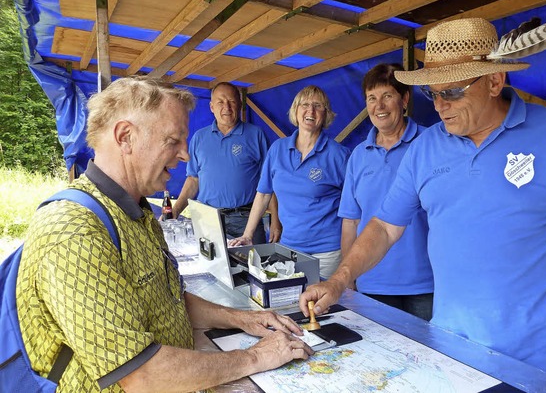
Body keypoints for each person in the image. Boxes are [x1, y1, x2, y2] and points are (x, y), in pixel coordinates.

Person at [300, 18, 546, 392]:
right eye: (432, 94)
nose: (439, 107)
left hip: (541, 356)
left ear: (495, 81)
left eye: (451, 93)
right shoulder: (424, 149)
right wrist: (339, 281)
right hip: (452, 351)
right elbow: (385, 227)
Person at [16, 76, 312, 392]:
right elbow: (140, 374)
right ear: (125, 136)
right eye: (173, 140)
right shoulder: (75, 230)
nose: (185, 155)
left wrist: (243, 319)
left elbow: (168, 301)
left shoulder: (137, 211)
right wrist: (254, 358)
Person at [338, 63, 433, 320]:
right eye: (372, 98)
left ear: (404, 99)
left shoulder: (430, 144)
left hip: (426, 284)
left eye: (387, 96)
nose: (378, 106)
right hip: (372, 283)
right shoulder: (358, 156)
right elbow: (351, 221)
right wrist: (349, 276)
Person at [229, 85, 351, 279]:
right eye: (304, 104)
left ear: (326, 114)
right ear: (295, 110)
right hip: (289, 248)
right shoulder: (277, 149)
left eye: (317, 106)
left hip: (327, 253)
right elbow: (263, 194)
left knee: (323, 306)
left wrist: (349, 259)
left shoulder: (339, 155)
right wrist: (247, 234)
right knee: (291, 303)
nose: (310, 111)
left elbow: (352, 209)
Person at [171, 82, 281, 244]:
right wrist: (175, 211)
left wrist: (276, 221)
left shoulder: (255, 135)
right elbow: (193, 179)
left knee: (252, 267)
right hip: (208, 219)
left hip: (246, 219)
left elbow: (269, 182)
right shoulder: (199, 138)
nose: (227, 107)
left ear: (240, 105)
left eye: (232, 102)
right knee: (210, 266)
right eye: (220, 102)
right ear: (211, 107)